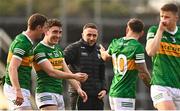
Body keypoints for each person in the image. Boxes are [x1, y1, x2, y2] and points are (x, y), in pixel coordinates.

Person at [33, 19, 88, 110]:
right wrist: (75, 76)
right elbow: (52, 72)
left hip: (58, 93)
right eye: (55, 32)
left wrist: (78, 89)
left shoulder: (57, 49)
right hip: (46, 92)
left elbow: (66, 71)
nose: (58, 35)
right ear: (46, 31)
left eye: (60, 32)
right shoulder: (39, 50)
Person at [100, 18, 151, 110]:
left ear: (127, 29)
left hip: (113, 92)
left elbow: (105, 57)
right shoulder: (137, 47)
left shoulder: (115, 43)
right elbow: (142, 72)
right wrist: (152, 86)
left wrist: (101, 51)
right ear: (142, 33)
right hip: (125, 94)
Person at [3, 13, 47, 110]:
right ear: (39, 27)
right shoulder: (22, 43)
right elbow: (12, 67)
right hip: (15, 88)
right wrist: (17, 90)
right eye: (44, 28)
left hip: (21, 87)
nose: (44, 31)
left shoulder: (27, 42)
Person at [64, 23, 107, 110]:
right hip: (80, 95)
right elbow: (60, 65)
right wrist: (73, 80)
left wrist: (104, 89)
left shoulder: (99, 50)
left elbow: (102, 73)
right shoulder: (73, 48)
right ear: (82, 35)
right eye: (89, 35)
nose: (92, 38)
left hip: (97, 96)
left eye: (94, 35)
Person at [146, 3, 180, 110]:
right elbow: (150, 51)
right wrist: (160, 31)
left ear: (176, 18)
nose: (163, 20)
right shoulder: (154, 30)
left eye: (166, 17)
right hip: (161, 86)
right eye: (161, 16)